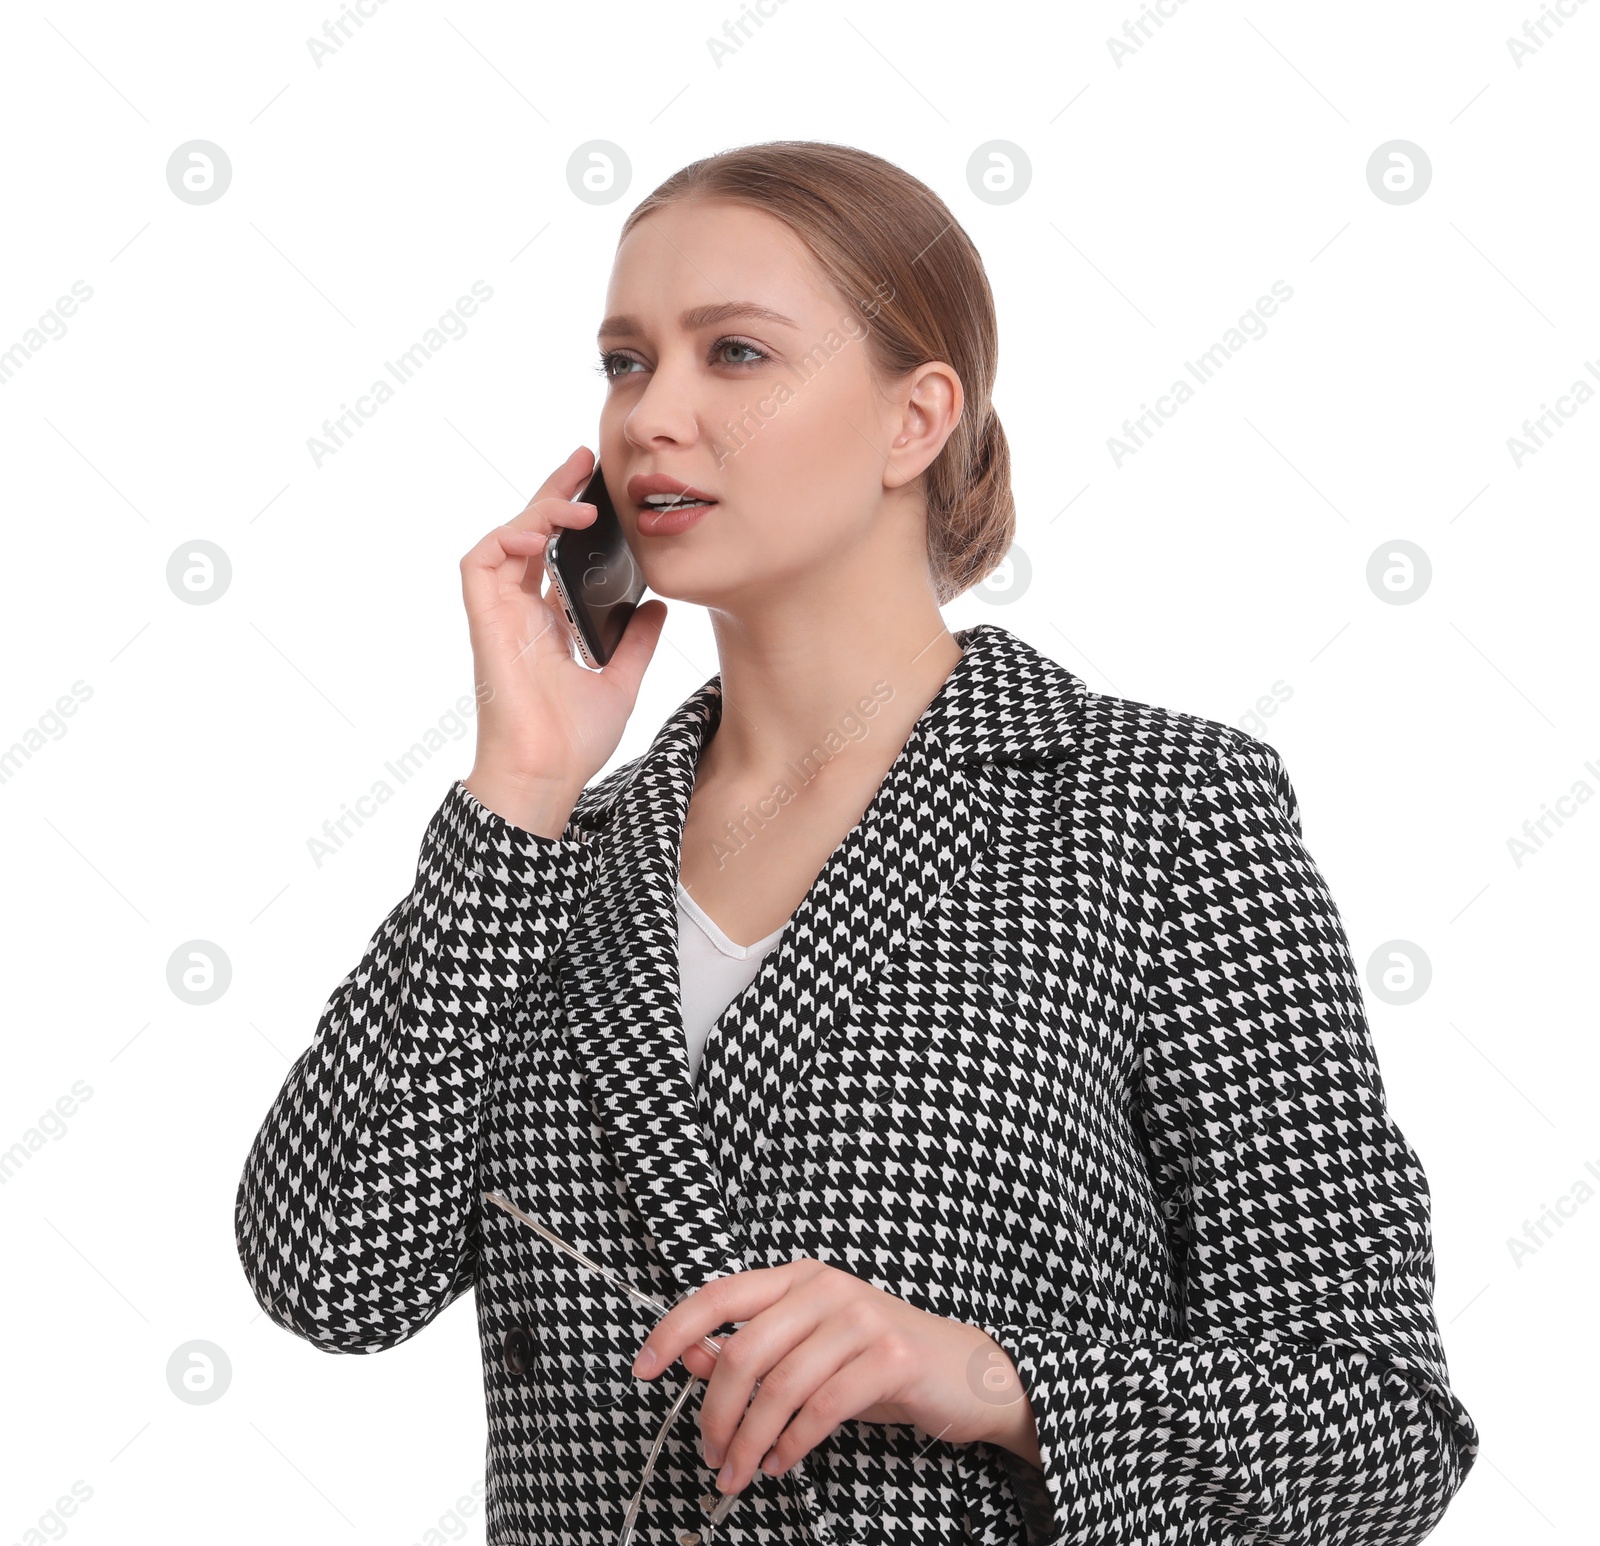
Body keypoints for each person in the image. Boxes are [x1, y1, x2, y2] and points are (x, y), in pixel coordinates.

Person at [235, 140, 1479, 1545]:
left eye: (739, 355)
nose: (656, 416)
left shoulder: (1156, 809)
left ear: (916, 419)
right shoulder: (551, 858)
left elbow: (1377, 1425)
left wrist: (994, 1379)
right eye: (629, 361)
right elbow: (327, 1270)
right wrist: (518, 783)